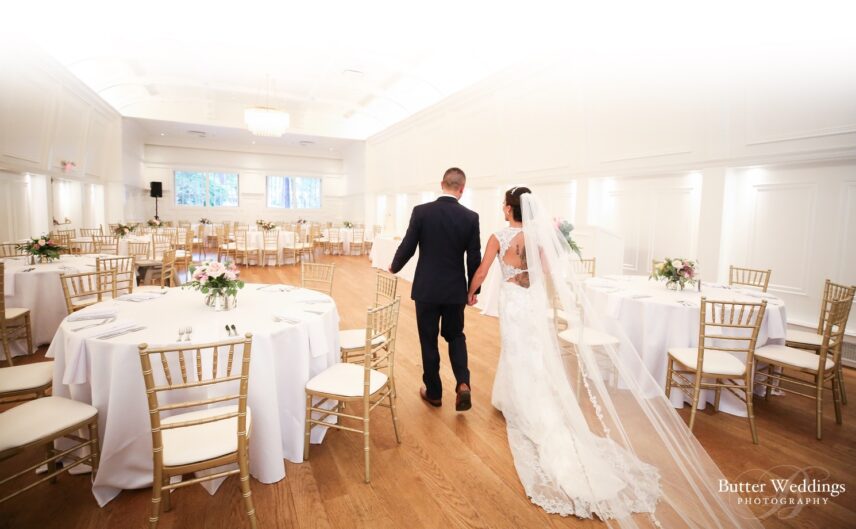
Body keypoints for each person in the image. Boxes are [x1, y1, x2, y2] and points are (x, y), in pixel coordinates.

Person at [466, 186, 763, 527]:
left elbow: (484, 270)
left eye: (504, 206)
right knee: (531, 355)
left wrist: (471, 291)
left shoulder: (498, 236)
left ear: (508, 209)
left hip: (512, 304)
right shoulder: (536, 238)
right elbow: (547, 272)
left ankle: (521, 406)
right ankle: (521, 400)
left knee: (517, 351)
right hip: (529, 303)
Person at [390, 167, 481, 411]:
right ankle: (463, 383)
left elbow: (408, 245)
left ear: (442, 183)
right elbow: (474, 258)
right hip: (454, 291)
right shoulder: (471, 218)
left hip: (427, 290)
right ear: (462, 189)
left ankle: (434, 392)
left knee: (428, 340)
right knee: (456, 336)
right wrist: (474, 290)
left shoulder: (422, 212)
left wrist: (394, 266)